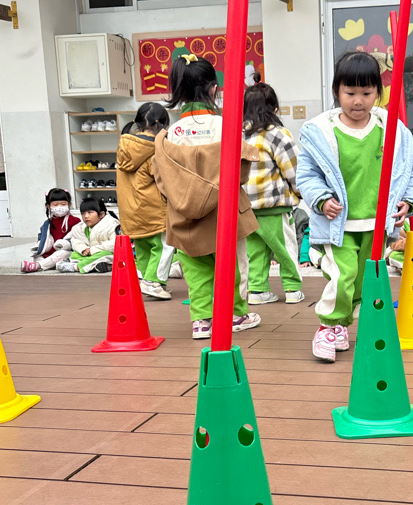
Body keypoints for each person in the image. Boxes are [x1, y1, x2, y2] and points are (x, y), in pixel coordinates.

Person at [297, 50, 413, 362]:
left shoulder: (391, 131)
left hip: (377, 224)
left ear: (378, 92)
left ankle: (342, 324)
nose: (358, 101)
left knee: (364, 282)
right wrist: (321, 199)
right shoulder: (322, 133)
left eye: (366, 93)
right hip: (337, 224)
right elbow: (307, 175)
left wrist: (408, 201)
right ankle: (327, 326)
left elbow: (407, 171)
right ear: (337, 91)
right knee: (343, 275)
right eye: (350, 93)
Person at [152, 53, 260, 340]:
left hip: (183, 215)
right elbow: (241, 171)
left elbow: (161, 178)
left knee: (195, 268)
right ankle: (236, 314)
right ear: (213, 89)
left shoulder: (169, 134)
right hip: (223, 212)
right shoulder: (225, 127)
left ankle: (201, 321)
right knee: (233, 266)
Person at [242, 80, 305, 305]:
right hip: (274, 207)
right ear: (274, 109)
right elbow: (294, 169)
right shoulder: (277, 134)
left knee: (255, 252)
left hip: (246, 209)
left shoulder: (239, 135)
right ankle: (292, 288)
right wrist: (300, 193)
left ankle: (257, 290)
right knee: (285, 248)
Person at [117, 102, 174, 300]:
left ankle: (143, 281)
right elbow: (163, 181)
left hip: (130, 211)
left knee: (143, 248)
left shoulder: (125, 146)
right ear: (161, 124)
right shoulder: (155, 150)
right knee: (165, 245)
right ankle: (153, 282)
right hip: (152, 209)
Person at [21, 188, 80, 273]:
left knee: (63, 253)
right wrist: (39, 246)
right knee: (37, 256)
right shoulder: (47, 224)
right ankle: (48, 264)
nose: (59, 207)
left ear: (69, 204)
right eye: (55, 205)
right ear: (48, 206)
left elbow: (78, 238)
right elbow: (41, 238)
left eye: (63, 204)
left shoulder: (75, 221)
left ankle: (38, 266)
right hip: (50, 254)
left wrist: (65, 244)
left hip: (66, 252)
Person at [57, 196, 119, 273]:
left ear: (101, 214)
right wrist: (83, 249)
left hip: (105, 252)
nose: (86, 216)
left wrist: (92, 250)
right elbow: (76, 240)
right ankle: (99, 265)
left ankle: (76, 267)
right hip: (90, 254)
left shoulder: (111, 225)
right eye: (83, 213)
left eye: (90, 212)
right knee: (74, 254)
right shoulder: (81, 227)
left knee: (105, 255)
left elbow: (114, 244)